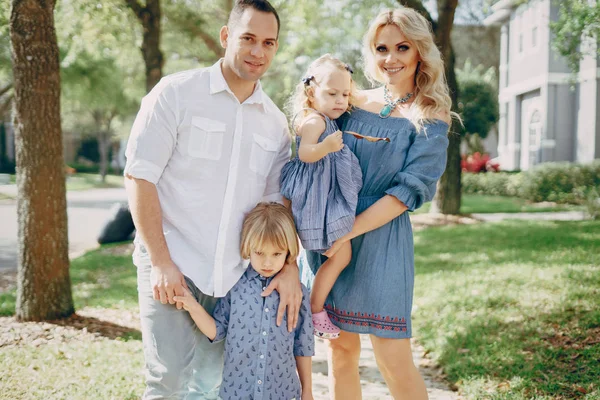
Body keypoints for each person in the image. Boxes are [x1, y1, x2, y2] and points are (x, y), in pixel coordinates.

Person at [123, 1, 304, 398]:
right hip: (172, 264)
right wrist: (161, 262)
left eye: (268, 43)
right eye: (248, 39)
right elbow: (139, 176)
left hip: (234, 276)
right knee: (167, 381)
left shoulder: (275, 125)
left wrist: (289, 265)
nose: (258, 52)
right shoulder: (175, 94)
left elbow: (275, 211)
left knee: (211, 385)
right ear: (226, 37)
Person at [304, 8, 456, 400]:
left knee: (392, 355)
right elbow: (313, 143)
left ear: (420, 50)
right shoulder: (350, 101)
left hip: (383, 240)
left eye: (402, 47)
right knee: (339, 351)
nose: (391, 58)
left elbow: (409, 192)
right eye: (382, 47)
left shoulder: (430, 114)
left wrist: (348, 232)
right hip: (330, 235)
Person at [173, 202, 315, 400]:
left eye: (276, 254)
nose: (267, 262)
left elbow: (303, 345)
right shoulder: (234, 286)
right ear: (248, 247)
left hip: (282, 393)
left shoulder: (298, 293)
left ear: (288, 251)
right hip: (236, 393)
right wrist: (193, 306)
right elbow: (218, 330)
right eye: (259, 253)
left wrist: (307, 391)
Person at [280, 54, 363, 340]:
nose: (340, 100)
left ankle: (314, 308)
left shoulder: (325, 117)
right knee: (342, 254)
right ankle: (315, 310)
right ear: (311, 92)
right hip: (315, 202)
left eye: (345, 94)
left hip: (321, 199)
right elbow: (305, 154)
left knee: (340, 254)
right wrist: (327, 146)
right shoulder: (314, 121)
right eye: (332, 93)